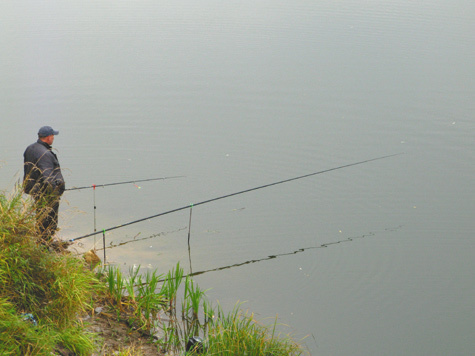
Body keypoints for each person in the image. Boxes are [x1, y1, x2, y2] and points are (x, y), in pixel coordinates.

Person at [23, 126, 65, 244]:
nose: (53, 138)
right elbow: (48, 177)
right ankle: (45, 246)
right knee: (49, 221)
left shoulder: (30, 148)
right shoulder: (45, 154)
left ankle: (42, 242)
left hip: (35, 190)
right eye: (53, 136)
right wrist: (55, 193)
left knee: (41, 217)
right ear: (48, 137)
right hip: (46, 193)